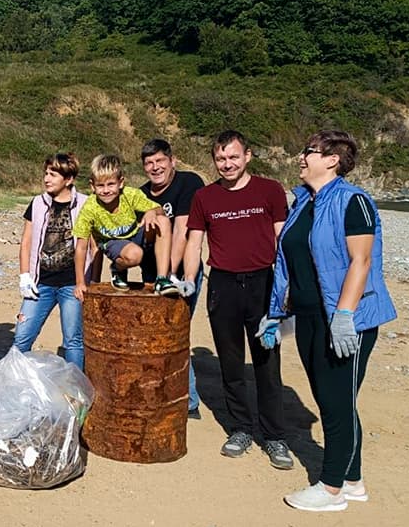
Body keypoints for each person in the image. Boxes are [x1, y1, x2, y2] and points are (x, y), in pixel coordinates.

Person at [257, 130, 396, 511]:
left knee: (336, 403)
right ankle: (352, 480)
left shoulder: (354, 202)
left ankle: (331, 488)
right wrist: (277, 315)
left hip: (347, 320)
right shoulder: (304, 202)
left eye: (309, 152)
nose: (301, 158)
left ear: (332, 159)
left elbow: (361, 262)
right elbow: (289, 264)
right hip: (309, 318)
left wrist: (345, 316)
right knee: (333, 400)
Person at [180, 130, 293, 469]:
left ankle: (275, 436)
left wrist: (286, 289)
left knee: (267, 363)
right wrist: (188, 281)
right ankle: (241, 429)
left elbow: (283, 240)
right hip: (223, 286)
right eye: (220, 159)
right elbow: (193, 243)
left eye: (233, 157)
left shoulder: (269, 190)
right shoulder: (204, 197)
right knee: (231, 365)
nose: (227, 164)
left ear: (248, 156)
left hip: (263, 282)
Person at [138, 139, 206, 419]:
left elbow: (182, 232)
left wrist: (169, 276)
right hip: (149, 274)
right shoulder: (141, 194)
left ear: (172, 161)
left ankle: (188, 402)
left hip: (181, 273)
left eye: (159, 161)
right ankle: (158, 394)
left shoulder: (189, 183)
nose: (155, 168)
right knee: (153, 337)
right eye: (149, 164)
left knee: (175, 333)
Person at [14, 152, 91, 370]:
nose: (47, 178)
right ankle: (16, 385)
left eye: (54, 174)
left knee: (73, 341)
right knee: (22, 336)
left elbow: (93, 247)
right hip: (40, 283)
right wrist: (24, 277)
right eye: (46, 173)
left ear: (69, 179)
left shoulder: (85, 204)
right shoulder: (38, 203)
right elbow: (26, 242)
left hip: (72, 285)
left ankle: (75, 392)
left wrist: (88, 282)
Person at [73, 154, 176, 300]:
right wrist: (80, 283)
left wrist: (152, 212)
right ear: (92, 186)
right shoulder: (90, 208)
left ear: (120, 183)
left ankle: (162, 279)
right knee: (135, 254)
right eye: (100, 186)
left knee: (163, 220)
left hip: (135, 236)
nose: (106, 190)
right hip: (112, 242)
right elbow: (81, 247)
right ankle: (117, 268)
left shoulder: (130, 195)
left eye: (111, 184)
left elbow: (160, 209)